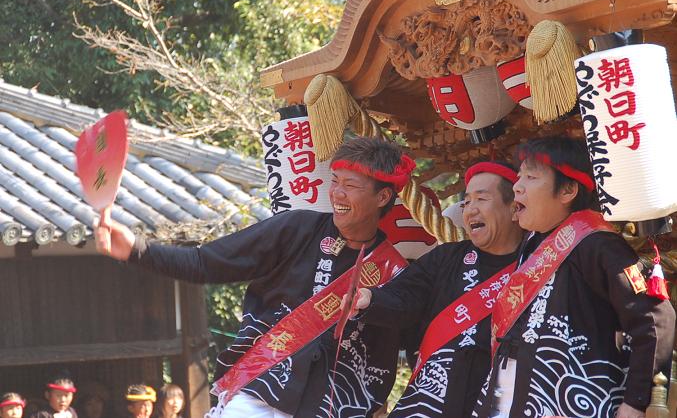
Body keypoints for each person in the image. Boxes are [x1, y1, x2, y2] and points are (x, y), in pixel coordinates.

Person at [94, 137, 416, 418]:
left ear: (383, 197)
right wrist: (138, 250)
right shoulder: (295, 229)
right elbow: (206, 263)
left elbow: (389, 358)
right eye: (335, 181)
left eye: (351, 185)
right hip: (259, 392)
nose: (338, 193)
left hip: (333, 406)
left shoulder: (393, 272)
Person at [472, 136, 675, 418]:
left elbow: (655, 318)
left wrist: (636, 401)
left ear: (567, 190)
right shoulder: (531, 245)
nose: (517, 186)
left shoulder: (599, 246)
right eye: (519, 177)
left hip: (574, 401)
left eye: (530, 177)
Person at [349, 161, 524, 417]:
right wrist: (371, 299)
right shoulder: (446, 259)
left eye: (481, 199)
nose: (470, 210)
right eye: (466, 202)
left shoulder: (537, 265)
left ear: (514, 208)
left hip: (502, 398)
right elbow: (406, 296)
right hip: (435, 397)